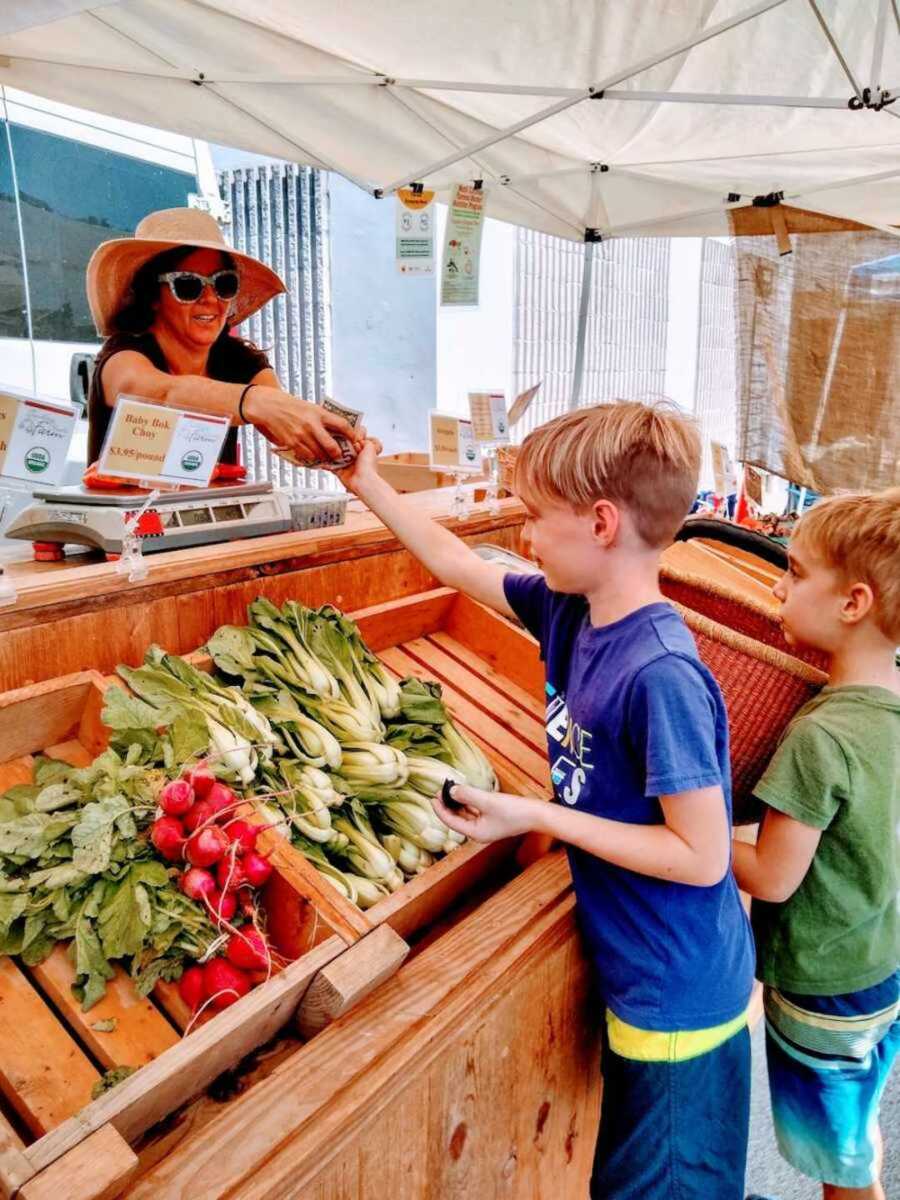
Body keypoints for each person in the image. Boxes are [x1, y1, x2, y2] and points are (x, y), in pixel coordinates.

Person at [341, 402, 755, 1199]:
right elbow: (458, 565)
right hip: (642, 973)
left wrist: (536, 815)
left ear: (601, 522)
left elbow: (702, 858)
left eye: (534, 516)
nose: (523, 536)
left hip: (679, 999)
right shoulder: (571, 607)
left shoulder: (661, 671)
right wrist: (367, 484)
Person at [733, 490, 900, 1200]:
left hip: (822, 990)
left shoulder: (819, 736)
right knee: (857, 1128)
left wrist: (678, 832)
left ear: (853, 602)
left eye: (796, 573)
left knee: (837, 1160)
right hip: (880, 966)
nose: (778, 584)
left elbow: (771, 878)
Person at [85, 207, 361, 474]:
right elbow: (159, 393)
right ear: (152, 296)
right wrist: (253, 401)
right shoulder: (123, 354)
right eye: (187, 285)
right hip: (128, 519)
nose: (210, 299)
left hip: (213, 515)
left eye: (223, 284)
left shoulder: (238, 359)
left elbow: (286, 427)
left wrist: (339, 440)